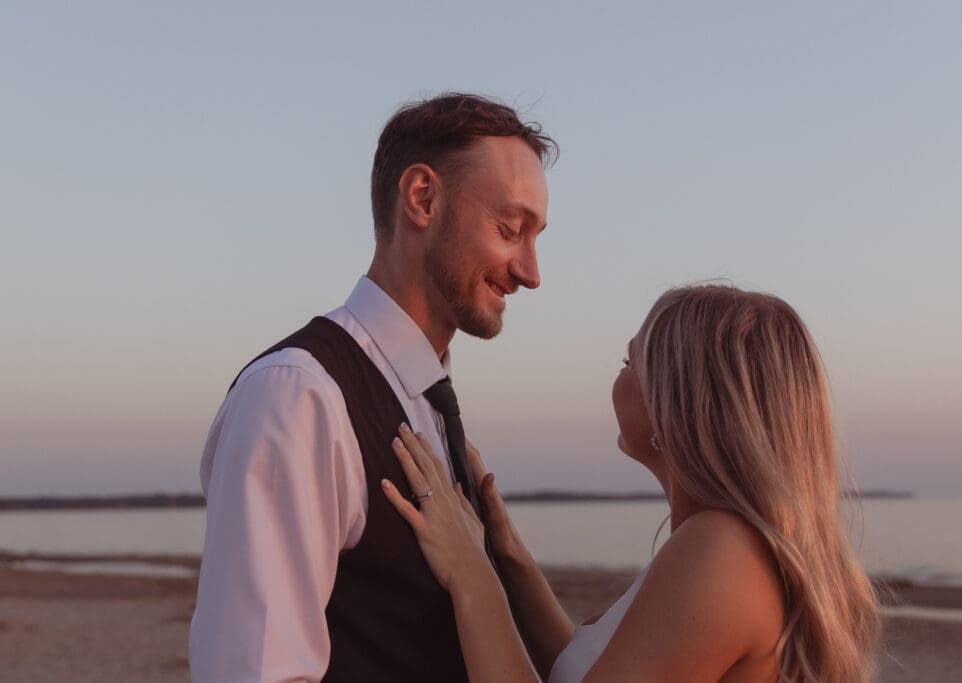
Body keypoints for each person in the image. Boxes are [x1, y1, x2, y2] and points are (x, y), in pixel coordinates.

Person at [189, 93, 557, 682]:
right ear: (422, 198)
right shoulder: (299, 397)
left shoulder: (430, 405)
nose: (531, 273)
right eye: (510, 229)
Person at [383, 284, 881, 682]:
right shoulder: (722, 543)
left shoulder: (723, 552)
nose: (618, 378)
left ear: (681, 404)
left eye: (629, 363)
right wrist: (504, 552)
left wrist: (470, 575)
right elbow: (585, 668)